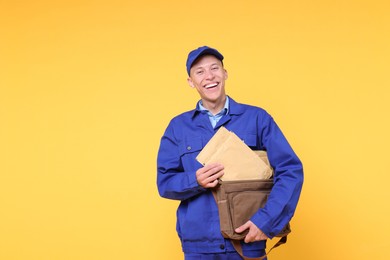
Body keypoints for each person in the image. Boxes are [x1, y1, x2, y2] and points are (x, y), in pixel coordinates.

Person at [157, 46, 303, 260]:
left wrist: (267, 221)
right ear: (191, 81)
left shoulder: (258, 118)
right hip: (198, 248)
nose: (209, 76)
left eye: (215, 68)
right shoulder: (177, 127)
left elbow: (290, 171)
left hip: (246, 241)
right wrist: (194, 180)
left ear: (225, 73)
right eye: (200, 72)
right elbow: (165, 182)